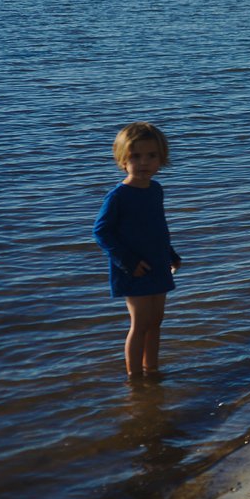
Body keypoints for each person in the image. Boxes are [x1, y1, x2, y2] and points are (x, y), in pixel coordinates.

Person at [94, 122, 182, 379]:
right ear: (123, 159)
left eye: (151, 156)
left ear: (161, 158)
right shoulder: (118, 196)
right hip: (133, 270)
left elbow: (158, 228)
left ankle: (152, 370)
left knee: (156, 322)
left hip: (158, 264)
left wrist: (171, 254)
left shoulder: (155, 190)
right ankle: (134, 379)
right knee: (140, 324)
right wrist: (128, 262)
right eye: (135, 156)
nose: (144, 162)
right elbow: (102, 232)